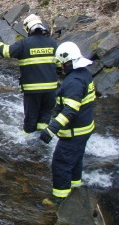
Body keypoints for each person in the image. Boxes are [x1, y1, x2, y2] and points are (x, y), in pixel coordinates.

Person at [39, 42, 96, 203]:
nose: (61, 67)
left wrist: (51, 129)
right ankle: (75, 193)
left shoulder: (74, 82)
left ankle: (59, 200)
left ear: (67, 61)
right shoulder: (84, 74)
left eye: (62, 64)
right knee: (76, 160)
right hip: (84, 129)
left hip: (74, 133)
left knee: (61, 163)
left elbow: (70, 111)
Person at [0, 14, 59, 134]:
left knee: (30, 119)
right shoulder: (53, 44)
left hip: (33, 90)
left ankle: (27, 143)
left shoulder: (24, 44)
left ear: (28, 29)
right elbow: (59, 66)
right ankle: (41, 140)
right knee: (44, 118)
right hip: (51, 90)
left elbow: (5, 52)